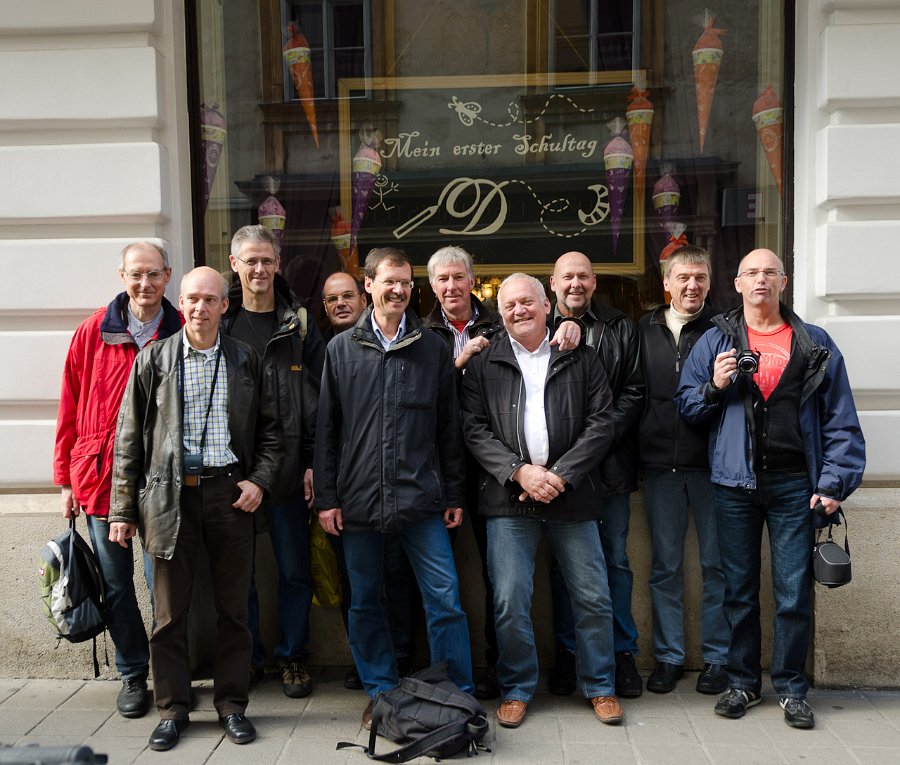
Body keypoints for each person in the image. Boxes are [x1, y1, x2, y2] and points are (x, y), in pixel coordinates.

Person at [675, 249, 866, 729]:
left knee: (793, 594)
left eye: (770, 272)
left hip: (796, 485)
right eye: (751, 273)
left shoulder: (814, 342)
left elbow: (841, 419)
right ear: (737, 283)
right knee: (738, 591)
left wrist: (834, 483)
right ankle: (742, 682)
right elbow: (688, 408)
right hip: (733, 485)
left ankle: (792, 689)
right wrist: (715, 387)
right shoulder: (716, 339)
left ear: (784, 281)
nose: (761, 279)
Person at [110, 267, 282, 751]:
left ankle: (232, 706)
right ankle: (172, 710)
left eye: (210, 300)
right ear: (180, 303)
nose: (200, 308)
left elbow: (273, 432)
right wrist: (122, 509)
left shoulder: (245, 358)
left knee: (234, 610)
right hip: (170, 497)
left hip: (231, 495)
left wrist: (260, 481)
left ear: (225, 306)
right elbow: (129, 440)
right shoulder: (154, 359)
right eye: (192, 299)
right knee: (169, 614)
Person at [314, 247, 473, 730]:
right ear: (369, 285)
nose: (399, 290)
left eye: (405, 282)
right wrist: (327, 499)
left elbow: (448, 429)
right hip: (359, 500)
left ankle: (456, 696)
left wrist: (453, 493)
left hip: (421, 499)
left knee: (444, 599)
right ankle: (381, 692)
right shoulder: (341, 350)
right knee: (365, 601)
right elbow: (327, 431)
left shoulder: (432, 348)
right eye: (389, 281)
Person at [461, 273, 622, 729]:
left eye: (527, 302)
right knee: (510, 600)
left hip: (572, 497)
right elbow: (473, 428)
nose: (519, 311)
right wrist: (520, 471)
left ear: (547, 304)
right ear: (501, 314)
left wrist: (562, 475)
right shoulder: (484, 363)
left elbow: (602, 422)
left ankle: (601, 684)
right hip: (509, 498)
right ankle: (517, 688)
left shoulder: (580, 356)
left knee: (592, 596)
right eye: (510, 305)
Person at [421, 246, 582, 700]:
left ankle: (498, 667)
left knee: (500, 581)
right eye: (442, 279)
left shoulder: (501, 323)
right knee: (439, 579)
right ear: (431, 286)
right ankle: (435, 669)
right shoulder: (422, 332)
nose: (451, 286)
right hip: (438, 471)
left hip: (496, 476)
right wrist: (457, 364)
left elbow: (543, 336)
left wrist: (572, 323)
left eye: (458, 277)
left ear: (473, 281)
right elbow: (425, 396)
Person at [53, 241, 181, 719]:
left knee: (163, 586)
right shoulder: (94, 331)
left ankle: (169, 674)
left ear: (168, 275)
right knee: (117, 586)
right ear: (122, 276)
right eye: (136, 274)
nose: (145, 283)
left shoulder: (180, 330)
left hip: (163, 483)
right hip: (102, 479)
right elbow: (69, 404)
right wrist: (65, 481)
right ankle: (132, 672)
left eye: (153, 274)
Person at [222, 225, 319, 699]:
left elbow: (320, 399)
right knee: (239, 576)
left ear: (277, 264)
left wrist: (314, 461)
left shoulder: (297, 323)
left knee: (294, 571)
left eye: (267, 260)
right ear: (234, 264)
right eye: (250, 261)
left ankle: (293, 657)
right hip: (234, 472)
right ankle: (251, 657)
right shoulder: (221, 322)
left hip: (288, 469)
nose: (259, 269)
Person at [546, 251, 645, 699]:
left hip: (609, 468)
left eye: (583, 276)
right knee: (562, 567)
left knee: (614, 562)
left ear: (594, 281)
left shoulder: (621, 326)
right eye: (567, 276)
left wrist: (595, 442)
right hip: (556, 472)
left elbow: (634, 393)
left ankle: (621, 653)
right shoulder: (535, 324)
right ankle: (569, 653)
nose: (576, 284)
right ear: (552, 283)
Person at [320, 268, 421, 690]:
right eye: (331, 299)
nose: (340, 304)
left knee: (399, 578)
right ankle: (371, 671)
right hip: (354, 492)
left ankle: (400, 659)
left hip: (404, 490)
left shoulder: (413, 343)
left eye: (346, 296)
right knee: (359, 588)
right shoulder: (328, 348)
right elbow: (325, 429)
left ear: (363, 297)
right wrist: (326, 494)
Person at [638, 245, 729, 695]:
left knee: (717, 567)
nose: (692, 286)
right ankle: (669, 657)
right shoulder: (643, 330)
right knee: (665, 568)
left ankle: (717, 659)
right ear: (666, 283)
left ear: (709, 283)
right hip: (660, 466)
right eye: (684, 278)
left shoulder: (725, 330)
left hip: (714, 466)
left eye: (700, 278)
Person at [321, 270, 368, 341]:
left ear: (363, 301)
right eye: (332, 299)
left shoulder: (382, 337)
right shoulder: (318, 344)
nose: (340, 303)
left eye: (348, 296)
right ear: (325, 307)